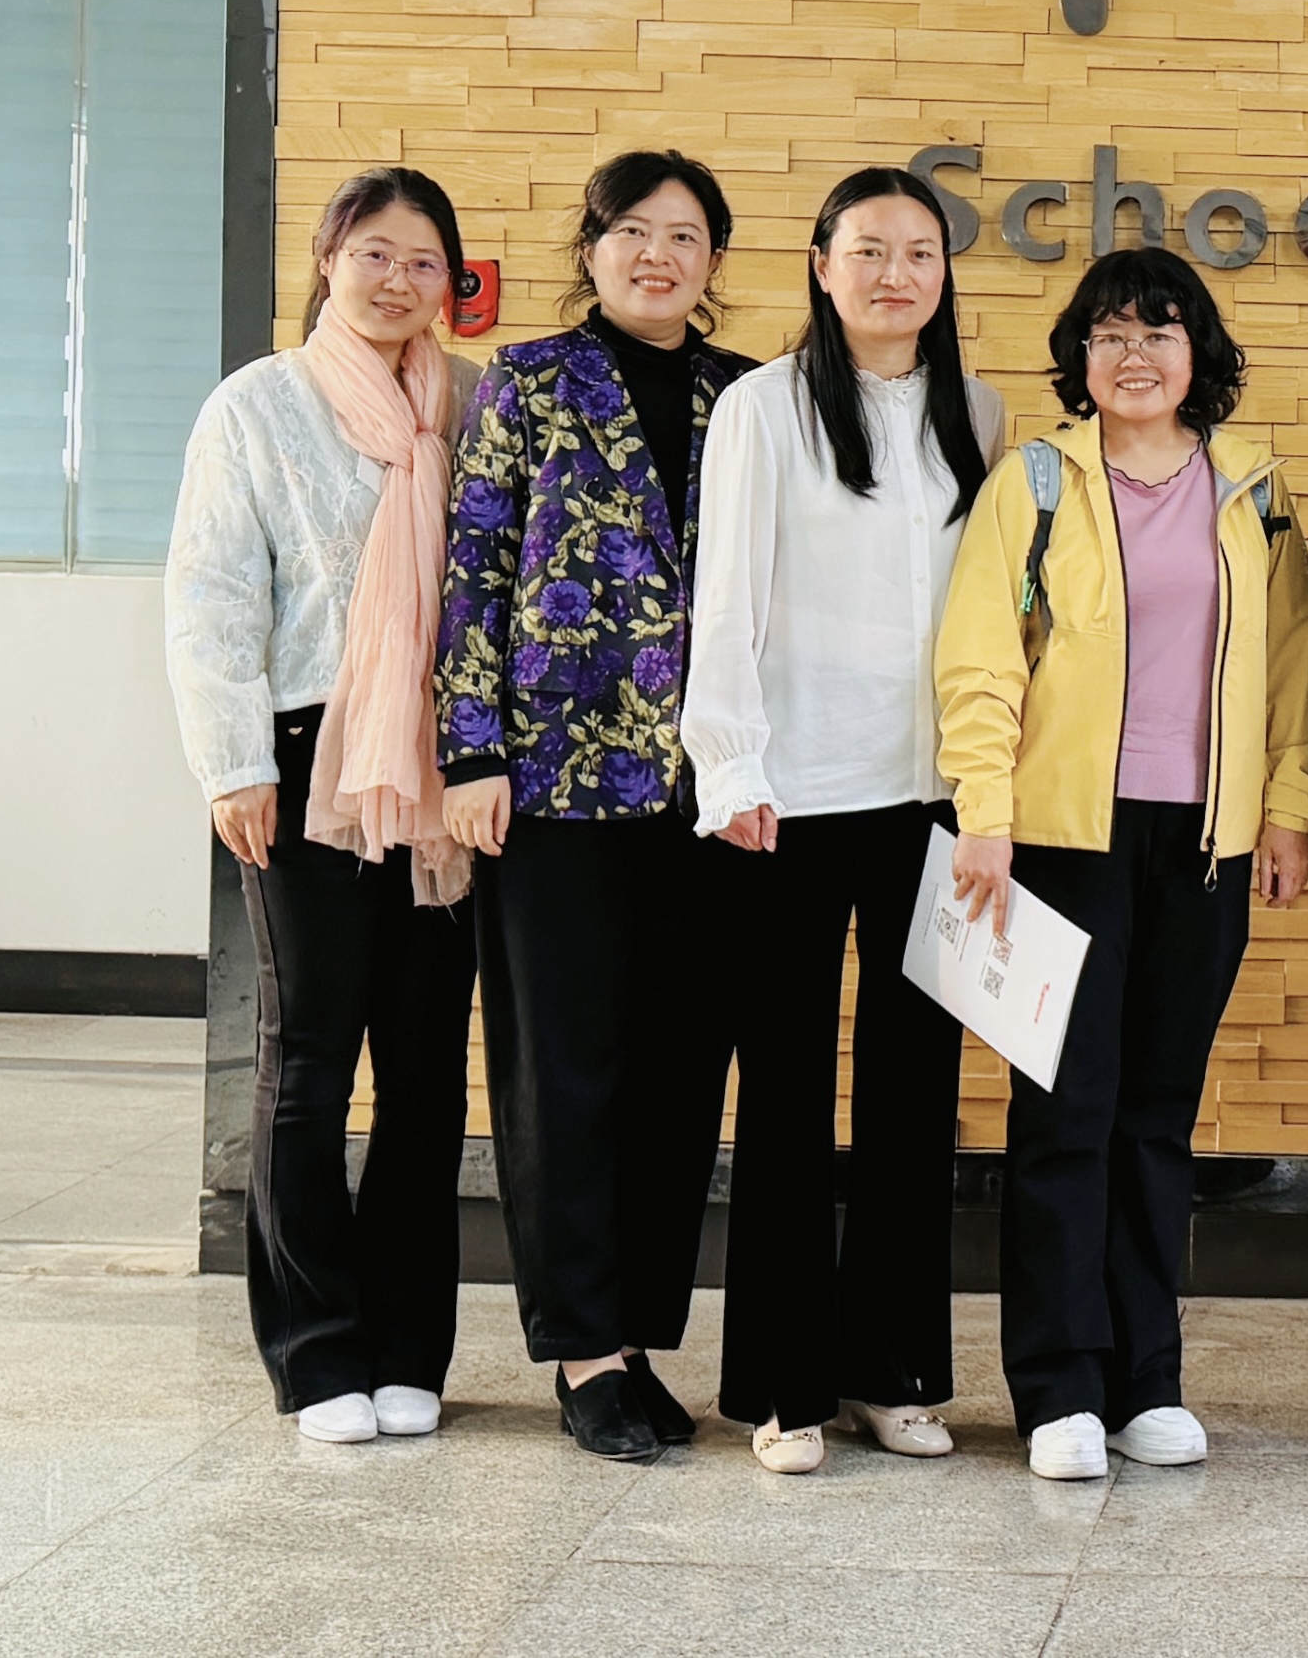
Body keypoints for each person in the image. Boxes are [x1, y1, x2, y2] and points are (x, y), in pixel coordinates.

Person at [936, 244, 1308, 1483]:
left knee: (1157, 1116)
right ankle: (1060, 1385)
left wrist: (1286, 807)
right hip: (1063, 837)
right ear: (1081, 355)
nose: (1135, 354)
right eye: (1109, 333)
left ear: (1197, 352)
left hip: (1204, 842)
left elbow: (1295, 665)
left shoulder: (1251, 488)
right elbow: (981, 656)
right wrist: (984, 809)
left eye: (1160, 330)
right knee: (1065, 1115)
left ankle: (1146, 1378)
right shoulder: (1035, 480)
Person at [682, 167, 1008, 1473]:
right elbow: (725, 599)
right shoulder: (763, 407)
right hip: (792, 794)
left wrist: (993, 786)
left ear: (945, 271)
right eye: (867, 249)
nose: (893, 273)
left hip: (934, 795)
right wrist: (730, 766)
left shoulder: (977, 411)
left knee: (914, 1091)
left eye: (918, 250)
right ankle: (782, 1385)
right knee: (787, 1090)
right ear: (821, 264)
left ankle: (894, 1371)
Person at [435, 148, 752, 1464]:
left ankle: (638, 1333)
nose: (656, 254)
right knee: (565, 1064)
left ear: (715, 260)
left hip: (708, 788)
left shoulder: (750, 396)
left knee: (678, 1068)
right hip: (556, 778)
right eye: (632, 230)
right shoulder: (527, 380)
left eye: (683, 235)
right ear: (591, 246)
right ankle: (583, 1348)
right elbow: (475, 563)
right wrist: (469, 751)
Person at [164, 168, 483, 1447]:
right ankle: (313, 1348)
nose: (399, 280)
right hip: (304, 758)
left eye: (424, 260)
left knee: (426, 1070)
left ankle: (408, 1345)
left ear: (451, 279)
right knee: (307, 1060)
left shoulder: (472, 401)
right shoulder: (257, 405)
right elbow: (211, 594)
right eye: (375, 254)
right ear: (327, 257)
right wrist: (232, 761)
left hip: (445, 768)